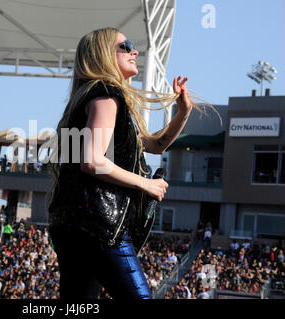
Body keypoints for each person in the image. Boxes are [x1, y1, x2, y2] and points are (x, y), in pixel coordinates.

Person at [47, 27, 215, 299]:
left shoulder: (87, 98)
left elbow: (154, 144)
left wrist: (183, 113)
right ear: (103, 55)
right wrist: (145, 184)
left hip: (70, 225)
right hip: (100, 225)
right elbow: (92, 161)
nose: (134, 51)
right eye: (125, 46)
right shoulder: (106, 94)